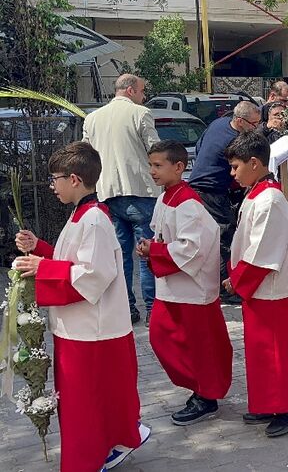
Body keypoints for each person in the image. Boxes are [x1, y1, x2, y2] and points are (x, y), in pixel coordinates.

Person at [14, 142, 148, 472]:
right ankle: (104, 449)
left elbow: (93, 274)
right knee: (86, 401)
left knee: (84, 404)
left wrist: (43, 268)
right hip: (80, 328)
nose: (52, 186)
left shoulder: (94, 220)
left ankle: (87, 461)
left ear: (74, 179)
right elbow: (71, 260)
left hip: (93, 332)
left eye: (55, 179)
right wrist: (40, 248)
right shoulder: (81, 214)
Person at [221, 132, 288, 437]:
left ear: (254, 163)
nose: (232, 173)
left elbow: (262, 251)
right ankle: (270, 401)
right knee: (263, 351)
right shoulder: (256, 192)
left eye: (235, 167)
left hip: (274, 289)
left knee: (279, 352)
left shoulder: (270, 199)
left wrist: (237, 280)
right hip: (261, 290)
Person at [137, 140, 233, 426]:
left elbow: (192, 247)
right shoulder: (166, 197)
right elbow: (162, 235)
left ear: (179, 167)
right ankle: (199, 389)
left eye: (158, 165)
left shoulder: (188, 202)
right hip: (173, 286)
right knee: (162, 337)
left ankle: (206, 395)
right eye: (150, 165)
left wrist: (155, 251)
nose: (152, 171)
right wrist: (150, 247)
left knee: (198, 346)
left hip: (192, 289)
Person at [82, 73, 160, 325]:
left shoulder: (92, 118)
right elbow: (156, 150)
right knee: (147, 253)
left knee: (120, 256)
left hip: (107, 194)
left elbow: (86, 155)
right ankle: (153, 310)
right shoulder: (140, 113)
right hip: (141, 191)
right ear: (130, 90)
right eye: (142, 91)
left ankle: (127, 308)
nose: (144, 96)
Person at [188, 100, 262, 305]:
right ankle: (225, 288)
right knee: (224, 237)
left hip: (199, 186)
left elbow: (199, 146)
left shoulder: (219, 123)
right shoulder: (234, 141)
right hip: (211, 190)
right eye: (254, 124)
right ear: (240, 121)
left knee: (214, 237)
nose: (256, 128)